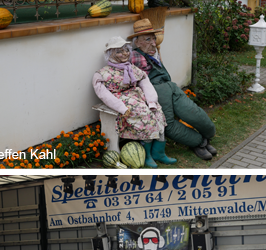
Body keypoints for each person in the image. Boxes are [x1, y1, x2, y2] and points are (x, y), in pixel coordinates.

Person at [128, 19, 217, 160]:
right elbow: (124, 69)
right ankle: (198, 143)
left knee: (193, 112)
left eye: (153, 38)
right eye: (147, 39)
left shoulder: (153, 53)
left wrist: (155, 53)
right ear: (137, 42)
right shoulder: (134, 55)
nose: (153, 43)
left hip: (171, 86)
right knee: (169, 124)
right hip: (156, 91)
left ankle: (208, 135)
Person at [93, 35, 175, 169]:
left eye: (126, 50)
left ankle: (159, 153)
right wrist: (121, 108)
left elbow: (146, 83)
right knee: (144, 115)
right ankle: (147, 154)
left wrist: (152, 101)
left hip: (138, 97)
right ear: (110, 54)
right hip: (122, 101)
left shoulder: (132, 68)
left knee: (158, 112)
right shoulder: (102, 74)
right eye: (119, 51)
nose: (124, 53)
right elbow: (104, 94)